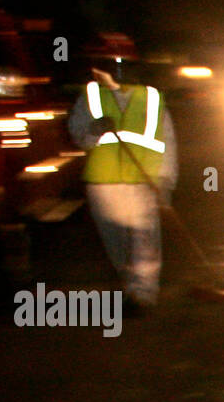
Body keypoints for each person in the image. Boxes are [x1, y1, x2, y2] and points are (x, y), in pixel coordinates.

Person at [68, 38, 178, 309]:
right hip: (103, 183)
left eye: (121, 64)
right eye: (112, 64)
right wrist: (94, 130)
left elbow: (168, 142)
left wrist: (165, 182)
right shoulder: (91, 96)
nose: (117, 70)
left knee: (144, 240)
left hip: (144, 180)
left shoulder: (151, 98)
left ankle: (143, 294)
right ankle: (132, 287)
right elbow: (77, 135)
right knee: (116, 242)